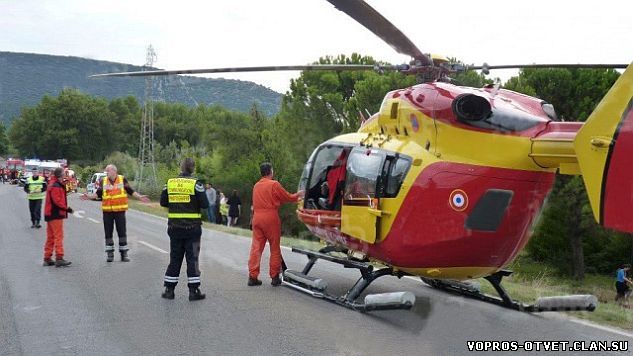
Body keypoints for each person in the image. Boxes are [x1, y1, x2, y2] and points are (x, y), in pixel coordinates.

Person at [160, 158, 209, 301]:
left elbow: (163, 202)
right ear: (192, 168)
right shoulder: (196, 184)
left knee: (175, 258)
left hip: (174, 227)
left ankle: (169, 290)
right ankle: (193, 292)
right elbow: (205, 204)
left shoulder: (169, 183)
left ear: (181, 168)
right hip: (192, 228)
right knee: (192, 259)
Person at [248, 162, 303, 286]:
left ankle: (252, 276)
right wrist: (298, 195)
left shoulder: (256, 186)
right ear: (271, 171)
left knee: (256, 248)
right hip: (270, 217)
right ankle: (274, 277)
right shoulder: (274, 184)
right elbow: (287, 197)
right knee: (274, 247)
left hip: (257, 217)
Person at [81, 164, 149, 262]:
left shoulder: (122, 179)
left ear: (113, 171)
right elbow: (97, 194)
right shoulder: (103, 181)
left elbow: (130, 191)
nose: (106, 173)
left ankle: (124, 254)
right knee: (108, 233)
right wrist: (88, 196)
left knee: (122, 233)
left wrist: (139, 197)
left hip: (120, 212)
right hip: (107, 212)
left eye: (107, 171)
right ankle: (110, 254)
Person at [43, 168, 72, 267]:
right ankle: (59, 257)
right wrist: (67, 209)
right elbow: (57, 201)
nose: (65, 175)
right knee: (58, 236)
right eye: (64, 174)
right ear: (60, 175)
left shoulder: (53, 183)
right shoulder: (56, 186)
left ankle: (47, 258)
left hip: (50, 214)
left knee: (50, 237)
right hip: (55, 214)